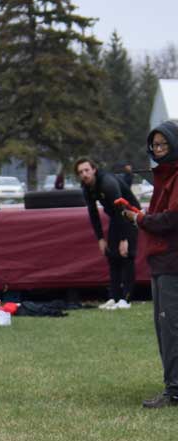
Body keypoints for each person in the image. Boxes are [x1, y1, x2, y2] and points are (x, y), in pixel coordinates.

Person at [134, 122, 178, 407]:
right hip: (161, 261)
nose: (159, 150)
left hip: (172, 262)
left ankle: (174, 390)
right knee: (165, 326)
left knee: (171, 326)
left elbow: (171, 219)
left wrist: (139, 219)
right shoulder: (164, 176)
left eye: (164, 144)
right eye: (155, 145)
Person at [75, 157, 138, 309]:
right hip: (116, 217)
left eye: (87, 170)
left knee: (126, 255)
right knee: (112, 256)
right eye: (81, 172)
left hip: (130, 215)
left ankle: (126, 299)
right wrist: (100, 238)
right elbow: (93, 213)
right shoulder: (86, 187)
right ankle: (114, 297)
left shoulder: (107, 183)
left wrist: (124, 239)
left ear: (94, 170)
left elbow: (121, 209)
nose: (84, 174)